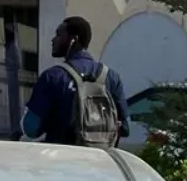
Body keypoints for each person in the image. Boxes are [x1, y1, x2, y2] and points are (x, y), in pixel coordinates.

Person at [21, 17, 129, 145]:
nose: (53, 39)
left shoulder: (53, 77)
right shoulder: (111, 77)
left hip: (64, 157)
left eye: (58, 35)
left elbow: (31, 129)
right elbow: (126, 128)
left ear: (73, 40)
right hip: (100, 158)